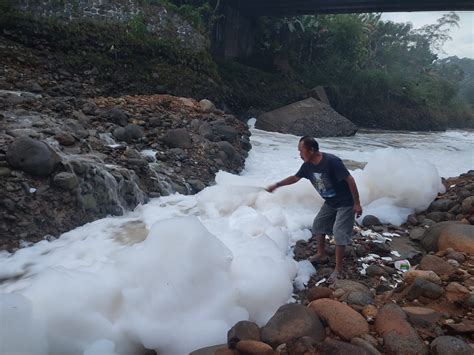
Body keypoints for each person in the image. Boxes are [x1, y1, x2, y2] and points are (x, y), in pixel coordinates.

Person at [266, 136, 362, 283]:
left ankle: (338, 270)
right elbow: (295, 178)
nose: (299, 154)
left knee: (339, 232)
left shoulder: (332, 162)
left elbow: (350, 180)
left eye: (301, 150)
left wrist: (357, 203)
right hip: (330, 202)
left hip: (345, 202)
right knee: (318, 225)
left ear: (311, 150)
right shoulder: (307, 165)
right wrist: (276, 185)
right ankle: (321, 254)